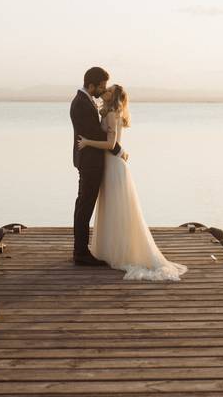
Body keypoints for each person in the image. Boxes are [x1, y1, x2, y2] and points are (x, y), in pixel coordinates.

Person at [77, 83, 187, 281]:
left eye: (108, 91)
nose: (105, 92)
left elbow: (110, 144)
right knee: (116, 208)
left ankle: (118, 253)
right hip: (113, 163)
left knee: (117, 208)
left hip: (113, 166)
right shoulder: (111, 113)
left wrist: (87, 142)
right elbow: (114, 144)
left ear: (114, 97)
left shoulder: (111, 115)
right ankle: (114, 250)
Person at [70, 67, 125, 265]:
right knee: (85, 206)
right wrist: (118, 150)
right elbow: (95, 133)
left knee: (82, 205)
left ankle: (80, 249)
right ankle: (81, 253)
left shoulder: (85, 101)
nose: (102, 90)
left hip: (88, 160)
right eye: (101, 86)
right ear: (90, 85)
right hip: (90, 163)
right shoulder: (81, 104)